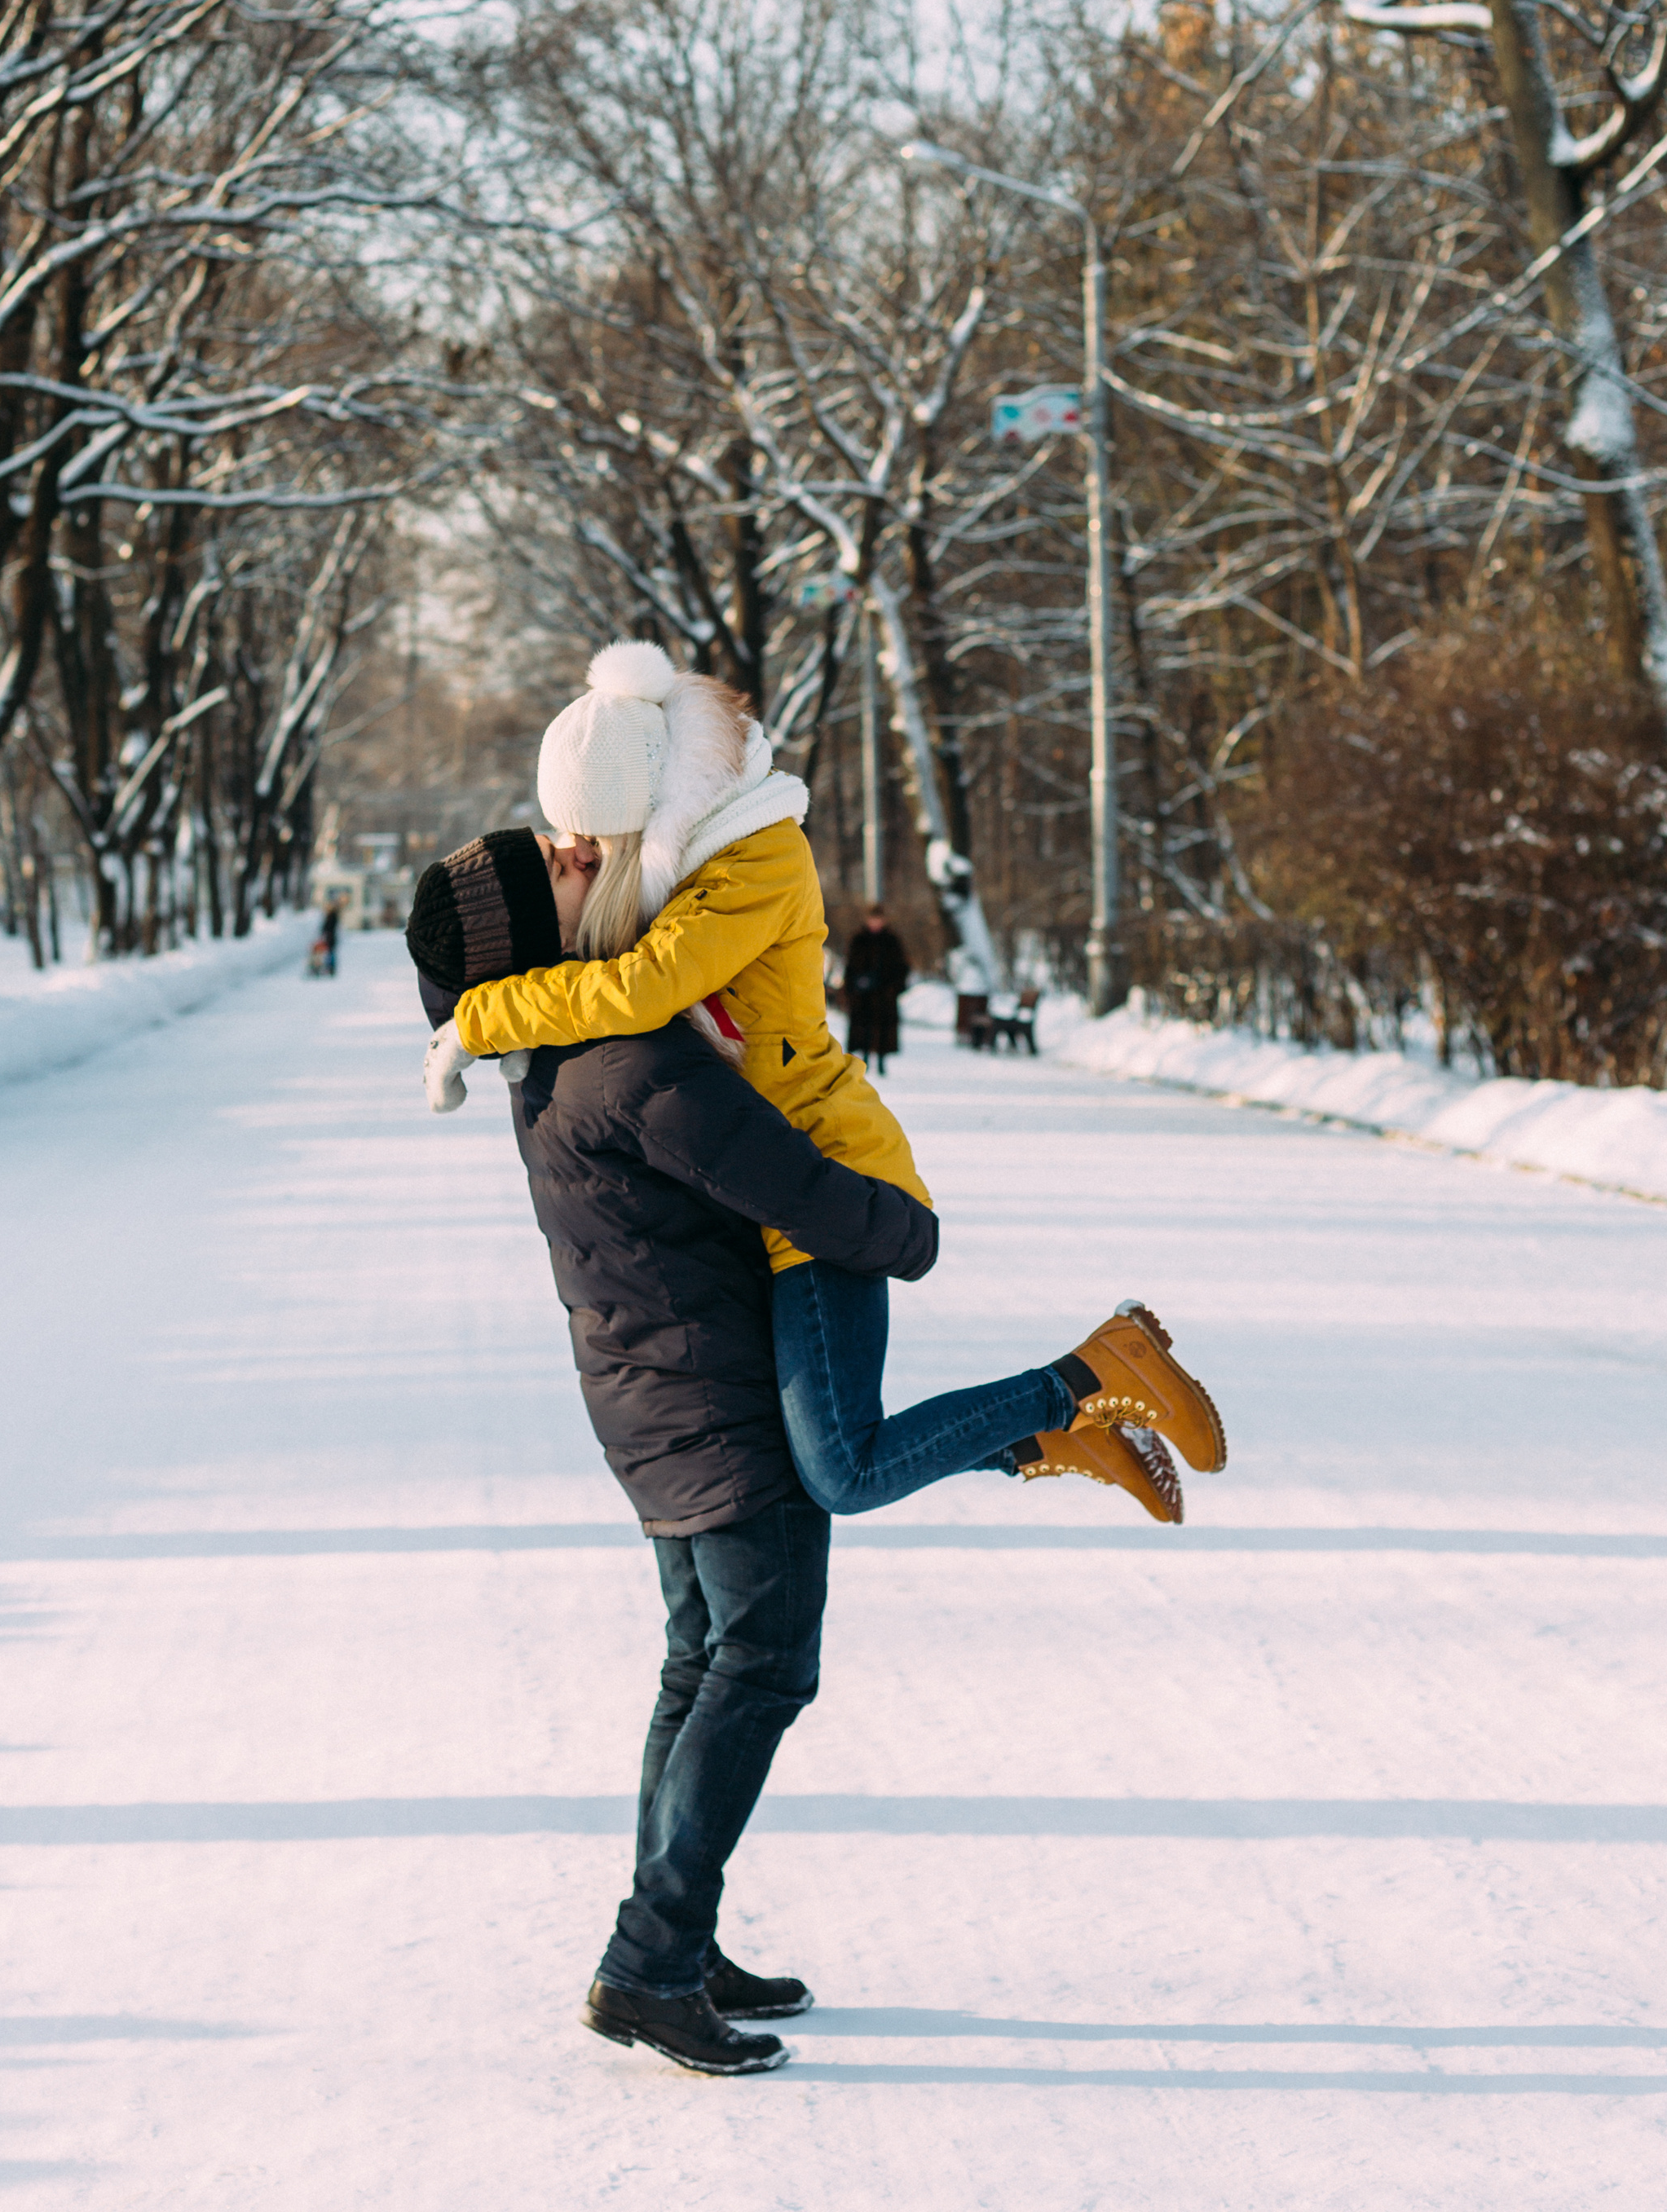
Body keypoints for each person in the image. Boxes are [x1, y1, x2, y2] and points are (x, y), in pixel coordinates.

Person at [406, 829, 1200, 2079]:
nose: (584, 853)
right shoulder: (631, 1059)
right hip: (723, 1417)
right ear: (544, 936)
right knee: (761, 1669)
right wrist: (906, 1234)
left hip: (654, 1419)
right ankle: (648, 1965)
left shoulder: (545, 1056)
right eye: (558, 867)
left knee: (697, 1668)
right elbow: (791, 1179)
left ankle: (677, 1940)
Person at [426, 643, 1227, 1537]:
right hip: (769, 1188)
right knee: (819, 1453)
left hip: (825, 1173)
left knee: (843, 1471)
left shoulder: (751, 862)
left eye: (589, 837)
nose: (579, 853)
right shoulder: (682, 870)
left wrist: (482, 1017)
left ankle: (1092, 1376)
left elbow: (643, 989)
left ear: (644, 806)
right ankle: (1059, 1438)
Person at [840, 905, 908, 1074]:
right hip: (862, 994)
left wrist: (892, 986)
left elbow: (901, 967)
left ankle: (881, 1062)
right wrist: (854, 984)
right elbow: (850, 966)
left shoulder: (891, 941)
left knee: (883, 1029)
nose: (876, 923)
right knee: (863, 1028)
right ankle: (864, 1060)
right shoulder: (858, 939)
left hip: (884, 995)